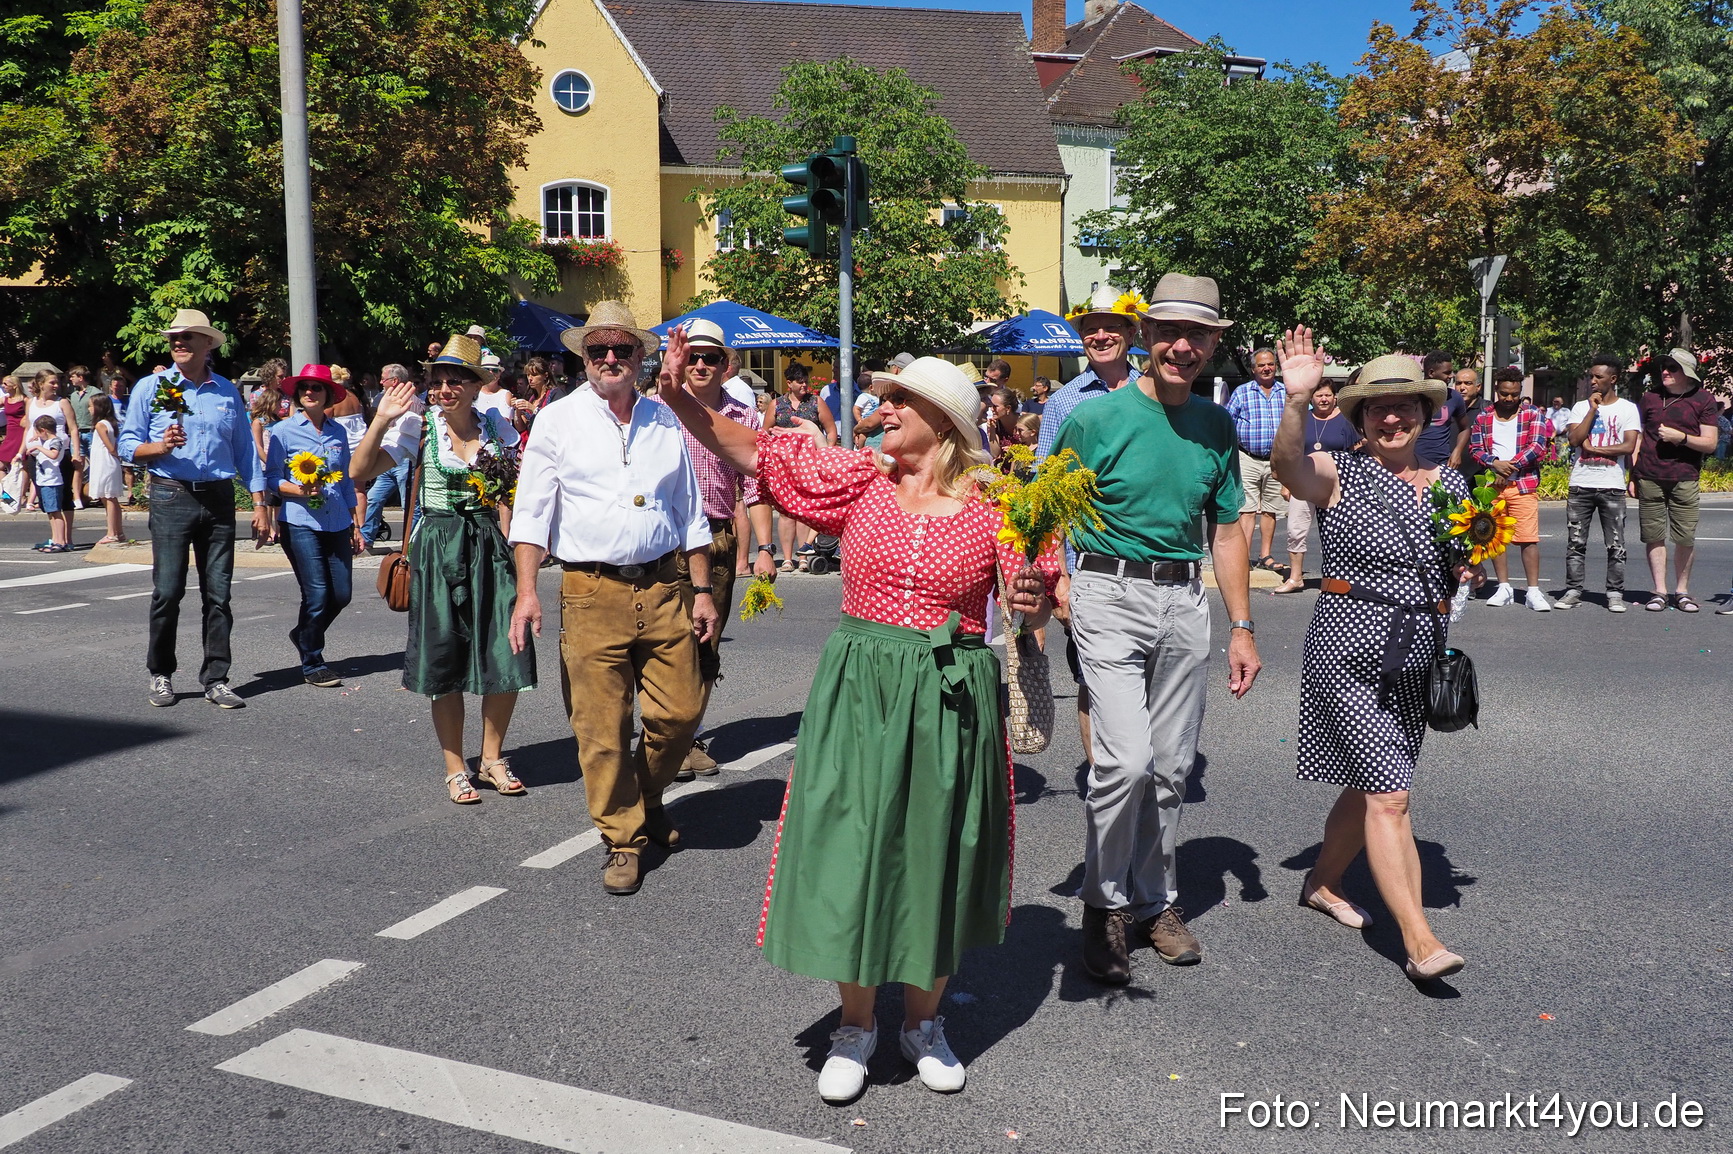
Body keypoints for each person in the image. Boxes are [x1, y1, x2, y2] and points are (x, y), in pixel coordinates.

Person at [658, 340, 1054, 1102]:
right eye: (883, 399)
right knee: (852, 844)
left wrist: (1033, 602)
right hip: (860, 683)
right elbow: (752, 450)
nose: (882, 411)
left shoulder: (998, 503)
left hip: (949, 691)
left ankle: (924, 1023)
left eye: (899, 402)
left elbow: (1032, 591)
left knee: (936, 853)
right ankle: (855, 1024)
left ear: (942, 421)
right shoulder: (857, 479)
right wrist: (679, 398)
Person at [1053, 273, 1261, 985]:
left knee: (1170, 770)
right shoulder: (1096, 420)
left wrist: (1241, 626)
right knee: (1123, 762)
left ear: (1212, 344)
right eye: (1169, 332)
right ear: (1144, 336)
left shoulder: (1215, 424)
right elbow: (1049, 505)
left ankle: (1152, 903)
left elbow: (1226, 529)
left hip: (1182, 599)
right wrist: (1054, 579)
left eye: (1197, 335)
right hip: (1106, 590)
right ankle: (1103, 906)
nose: (1182, 346)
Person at [1271, 338, 1473, 986]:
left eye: (1402, 408)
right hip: (1347, 649)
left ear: (1423, 412)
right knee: (1390, 797)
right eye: (1377, 410)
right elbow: (1285, 468)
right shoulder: (1339, 472)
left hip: (1415, 652)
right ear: (1360, 419)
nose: (1391, 420)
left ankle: (1322, 883)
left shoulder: (1450, 482)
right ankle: (1419, 941)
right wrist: (1298, 400)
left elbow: (1456, 563)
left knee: (1366, 788)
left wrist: (1469, 555)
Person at [507, 300, 717, 895]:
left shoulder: (662, 419)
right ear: (583, 356)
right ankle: (622, 840)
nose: (608, 359)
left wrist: (702, 589)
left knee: (679, 714)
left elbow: (689, 511)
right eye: (597, 349)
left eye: (620, 349)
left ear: (638, 356)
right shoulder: (558, 419)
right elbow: (532, 514)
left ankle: (647, 798)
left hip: (664, 585)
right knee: (600, 728)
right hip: (589, 588)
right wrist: (528, 593)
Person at [353, 333, 535, 802]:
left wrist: (520, 555)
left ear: (478, 385)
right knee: (443, 657)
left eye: (457, 380)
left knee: (505, 650)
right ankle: (456, 766)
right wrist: (380, 420)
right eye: (439, 380)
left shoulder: (497, 428)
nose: (445, 388)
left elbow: (510, 498)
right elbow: (360, 473)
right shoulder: (419, 426)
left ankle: (492, 757)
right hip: (437, 546)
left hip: (490, 547)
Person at [119, 309, 268, 708]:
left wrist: (259, 502)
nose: (179, 343)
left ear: (207, 343)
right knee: (167, 592)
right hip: (171, 494)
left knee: (218, 595)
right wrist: (161, 446)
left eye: (187, 337)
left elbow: (244, 454)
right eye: (174, 338)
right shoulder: (152, 387)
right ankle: (161, 673)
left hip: (218, 498)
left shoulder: (225, 391)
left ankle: (216, 677)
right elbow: (127, 445)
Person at [658, 318, 777, 778]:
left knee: (704, 643)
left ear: (726, 365)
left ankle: (688, 736)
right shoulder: (657, 408)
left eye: (712, 357)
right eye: (694, 356)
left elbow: (756, 488)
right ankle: (671, 737)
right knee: (667, 644)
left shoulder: (743, 416)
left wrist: (765, 547)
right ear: (681, 360)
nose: (702, 364)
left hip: (718, 538)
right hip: (665, 542)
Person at [1036, 285, 1143, 769]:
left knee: (1148, 680)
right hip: (1087, 564)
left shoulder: (1156, 390)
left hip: (1150, 561)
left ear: (1131, 333)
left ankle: (1142, 773)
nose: (1100, 336)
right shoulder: (1064, 402)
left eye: (1111, 327)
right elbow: (1047, 491)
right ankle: (1104, 779)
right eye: (1091, 328)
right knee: (1092, 678)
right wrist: (1057, 573)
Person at [265, 365, 363, 688]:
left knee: (342, 594)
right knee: (317, 594)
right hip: (299, 521)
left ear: (327, 396)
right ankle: (312, 661)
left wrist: (356, 524)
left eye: (316, 388)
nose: (309, 392)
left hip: (336, 521)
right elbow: (273, 480)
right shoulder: (282, 432)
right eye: (304, 387)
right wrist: (299, 490)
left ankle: (304, 633)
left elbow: (347, 481)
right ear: (297, 394)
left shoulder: (338, 433)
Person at [1634, 348, 1720, 612]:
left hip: (1684, 476)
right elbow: (1638, 438)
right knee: (1653, 536)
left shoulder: (1703, 399)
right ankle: (1659, 591)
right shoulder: (1650, 397)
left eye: (1672, 368)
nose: (1665, 372)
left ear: (1687, 373)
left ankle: (1681, 591)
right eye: (1664, 367)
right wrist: (1633, 474)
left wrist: (1680, 438)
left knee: (1684, 537)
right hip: (1649, 475)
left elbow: (1710, 443)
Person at [1556, 354, 1639, 612]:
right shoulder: (1581, 407)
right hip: (1581, 484)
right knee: (1576, 542)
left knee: (1616, 544)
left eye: (1598, 377)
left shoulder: (1627, 409)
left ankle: (1614, 593)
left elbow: (1628, 446)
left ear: (1612, 379)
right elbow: (1574, 439)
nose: (1592, 381)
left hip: (1612, 485)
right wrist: (1593, 409)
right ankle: (1573, 590)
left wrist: (1596, 449)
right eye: (1591, 376)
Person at [1470, 367, 1553, 610]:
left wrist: (1510, 467)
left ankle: (1533, 592)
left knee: (1528, 539)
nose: (1509, 398)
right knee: (1495, 537)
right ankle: (1504, 587)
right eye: (1505, 393)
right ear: (1496, 390)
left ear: (1520, 392)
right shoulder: (1483, 417)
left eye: (1514, 394)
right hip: (1492, 485)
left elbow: (1538, 445)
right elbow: (1475, 449)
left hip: (1522, 484)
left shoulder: (1533, 414)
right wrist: (1494, 463)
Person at [1272, 378, 1359, 594]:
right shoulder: (1303, 419)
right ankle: (1295, 577)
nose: (1324, 399)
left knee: (1338, 532)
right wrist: (1288, 482)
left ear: (1335, 397)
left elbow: (1356, 451)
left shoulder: (1346, 420)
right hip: (1304, 480)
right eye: (1319, 395)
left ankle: (1336, 576)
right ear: (1312, 398)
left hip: (1337, 483)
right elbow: (1293, 452)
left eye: (1328, 394)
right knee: (1296, 528)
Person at [1225, 348, 1289, 574]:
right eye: (1261, 365)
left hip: (1277, 461)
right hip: (1247, 458)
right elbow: (1227, 423)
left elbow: (1303, 418)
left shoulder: (1286, 392)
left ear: (1276, 367)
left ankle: (1265, 555)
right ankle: (1242, 557)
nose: (1266, 368)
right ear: (1253, 369)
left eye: (1270, 364)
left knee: (1271, 510)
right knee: (1248, 510)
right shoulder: (1242, 392)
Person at [773, 364, 838, 570]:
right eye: (800, 381)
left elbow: (831, 430)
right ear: (789, 383)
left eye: (806, 381)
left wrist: (825, 454)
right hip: (783, 464)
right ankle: (787, 558)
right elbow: (765, 431)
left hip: (810, 464)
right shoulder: (777, 404)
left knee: (804, 510)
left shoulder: (815, 402)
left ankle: (803, 555)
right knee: (785, 511)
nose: (804, 385)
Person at [359, 363, 421, 549]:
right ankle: (367, 540)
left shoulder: (412, 401)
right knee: (374, 497)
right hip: (387, 457)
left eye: (383, 379)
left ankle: (412, 545)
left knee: (409, 505)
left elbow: (412, 432)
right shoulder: (384, 398)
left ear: (394, 381)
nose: (380, 382)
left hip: (404, 459)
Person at [1413, 353, 1470, 470]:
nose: (1451, 376)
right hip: (1411, 463)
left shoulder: (1454, 397)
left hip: (1442, 464)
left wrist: (1457, 452)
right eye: (1447, 373)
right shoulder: (1413, 397)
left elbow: (1465, 429)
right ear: (1431, 373)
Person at [25, 415, 70, 552]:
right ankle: (55, 539)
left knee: (56, 512)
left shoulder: (56, 441)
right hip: (44, 480)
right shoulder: (46, 442)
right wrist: (38, 445)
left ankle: (61, 542)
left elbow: (54, 455)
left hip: (53, 481)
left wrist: (38, 446)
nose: (37, 436)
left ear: (44, 430)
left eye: (38, 432)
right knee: (50, 512)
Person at [87, 395, 127, 543]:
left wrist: (114, 454)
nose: (89, 409)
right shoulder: (111, 423)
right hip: (109, 462)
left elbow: (110, 447)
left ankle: (111, 533)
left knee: (108, 498)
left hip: (104, 462)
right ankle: (119, 532)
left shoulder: (100, 425)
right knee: (111, 498)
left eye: (91, 406)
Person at [65, 365, 102, 510]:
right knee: (77, 465)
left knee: (96, 464)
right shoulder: (73, 395)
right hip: (77, 433)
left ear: (80, 377)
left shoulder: (95, 393)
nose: (71, 379)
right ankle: (77, 498)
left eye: (73, 376)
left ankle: (96, 493)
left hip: (92, 431)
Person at [1, 374, 26, 511]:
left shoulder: (25, 400)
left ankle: (21, 495)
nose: (3, 386)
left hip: (21, 433)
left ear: (14, 385)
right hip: (10, 434)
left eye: (5, 384)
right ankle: (6, 493)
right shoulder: (5, 399)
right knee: (1, 465)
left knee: (20, 466)